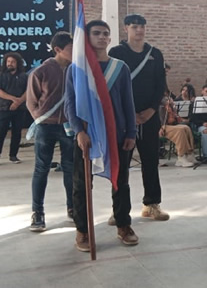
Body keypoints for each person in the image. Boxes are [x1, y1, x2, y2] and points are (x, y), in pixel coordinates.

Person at [65, 20, 138, 251]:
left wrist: (131, 132)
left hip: (116, 135)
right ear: (87, 37)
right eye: (96, 33)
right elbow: (70, 103)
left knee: (121, 182)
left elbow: (128, 102)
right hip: (87, 136)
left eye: (106, 34)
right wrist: (79, 131)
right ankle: (83, 231)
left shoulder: (120, 68)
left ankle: (123, 225)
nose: (102, 37)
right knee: (81, 184)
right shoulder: (76, 68)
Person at [108, 13, 170, 222]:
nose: (139, 30)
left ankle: (152, 204)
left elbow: (160, 85)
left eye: (142, 26)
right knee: (121, 164)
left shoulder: (155, 54)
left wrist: (152, 109)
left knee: (151, 160)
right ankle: (119, 209)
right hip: (124, 117)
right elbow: (112, 84)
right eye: (135, 26)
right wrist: (127, 112)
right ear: (126, 28)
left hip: (149, 116)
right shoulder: (116, 52)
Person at [25, 32, 75, 232]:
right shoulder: (41, 72)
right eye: (71, 48)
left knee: (70, 169)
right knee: (41, 168)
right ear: (58, 50)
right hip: (46, 126)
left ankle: (73, 207)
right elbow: (31, 101)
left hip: (70, 127)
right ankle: (38, 212)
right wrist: (41, 117)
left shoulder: (77, 70)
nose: (75, 52)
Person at [0, 52, 28, 166]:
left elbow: (28, 91)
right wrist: (13, 99)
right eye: (8, 62)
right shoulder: (0, 75)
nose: (10, 64)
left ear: (17, 63)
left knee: (17, 133)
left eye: (12, 62)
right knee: (0, 133)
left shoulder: (24, 76)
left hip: (20, 109)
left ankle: (13, 155)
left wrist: (18, 101)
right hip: (4, 108)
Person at [160, 92, 197, 167]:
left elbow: (173, 119)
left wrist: (173, 109)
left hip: (170, 125)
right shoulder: (158, 104)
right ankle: (181, 157)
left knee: (186, 128)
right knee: (180, 131)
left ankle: (189, 154)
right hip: (161, 126)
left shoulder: (169, 101)